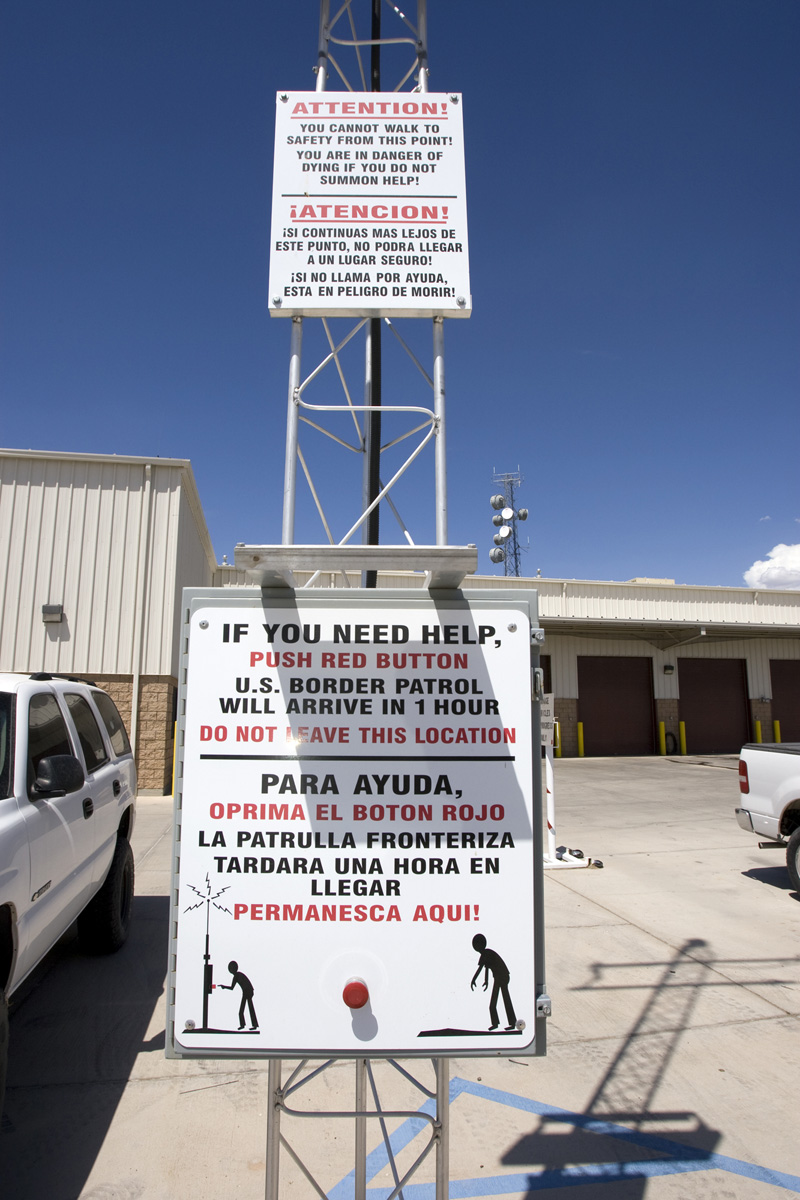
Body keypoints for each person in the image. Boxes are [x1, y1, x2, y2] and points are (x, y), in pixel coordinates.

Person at [470, 933, 516, 1031]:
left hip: (502, 976)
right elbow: (486, 967)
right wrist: (486, 981)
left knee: (502, 1000)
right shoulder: (486, 953)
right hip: (499, 977)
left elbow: (480, 969)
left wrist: (473, 980)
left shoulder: (486, 953)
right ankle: (499, 1023)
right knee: (497, 1001)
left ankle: (510, 1023)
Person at [219, 960, 259, 1030]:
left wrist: (224, 987)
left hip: (247, 991)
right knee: (245, 1009)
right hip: (246, 991)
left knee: (247, 1008)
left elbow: (232, 987)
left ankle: (251, 1025)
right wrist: (224, 987)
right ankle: (246, 1024)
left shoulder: (237, 975)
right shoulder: (237, 975)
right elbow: (232, 987)